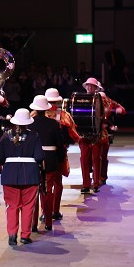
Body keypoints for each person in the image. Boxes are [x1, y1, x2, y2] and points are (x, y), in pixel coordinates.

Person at [0, 108, 44, 246]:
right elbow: (39, 157)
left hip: (10, 175)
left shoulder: (5, 136)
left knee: (12, 206)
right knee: (28, 206)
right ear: (28, 123)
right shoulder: (34, 136)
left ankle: (11, 234)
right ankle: (25, 235)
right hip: (30, 175)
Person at [28, 95, 67, 233]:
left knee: (33, 193)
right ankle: (49, 223)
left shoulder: (29, 123)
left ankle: (32, 224)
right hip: (50, 161)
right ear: (46, 109)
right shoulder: (53, 124)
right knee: (47, 192)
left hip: (32, 161)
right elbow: (60, 145)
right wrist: (60, 160)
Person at [44, 88, 80, 221]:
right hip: (58, 153)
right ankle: (55, 211)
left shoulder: (35, 115)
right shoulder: (65, 115)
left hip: (41, 155)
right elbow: (75, 136)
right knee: (57, 182)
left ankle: (45, 212)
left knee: (44, 184)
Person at [84, 78, 126, 187]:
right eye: (88, 86)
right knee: (86, 158)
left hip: (101, 132)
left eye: (92, 86)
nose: (89, 88)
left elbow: (121, 109)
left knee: (101, 156)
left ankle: (101, 178)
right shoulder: (83, 100)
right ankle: (89, 178)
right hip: (87, 132)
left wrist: (117, 110)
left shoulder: (104, 99)